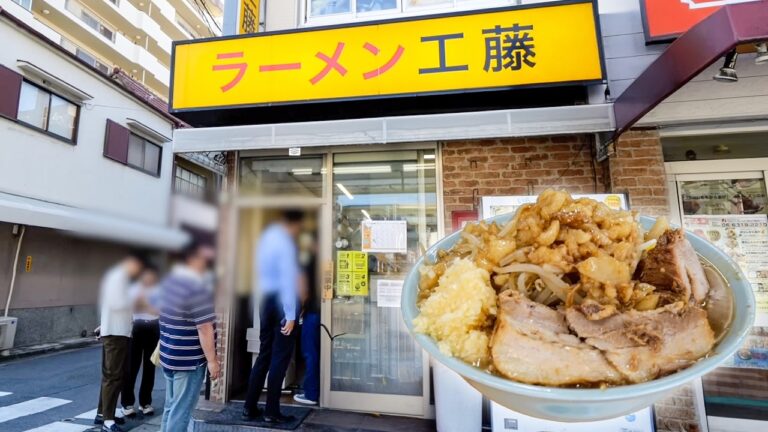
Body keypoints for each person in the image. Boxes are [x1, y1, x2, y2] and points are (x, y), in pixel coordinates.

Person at [243, 210, 303, 424]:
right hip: (281, 303)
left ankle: (249, 407)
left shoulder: (265, 241)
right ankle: (271, 411)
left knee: (264, 355)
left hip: (264, 301)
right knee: (280, 358)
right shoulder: (286, 244)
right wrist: (290, 315)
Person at [159, 242, 220, 432]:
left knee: (171, 407)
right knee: (181, 412)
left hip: (170, 355)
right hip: (188, 361)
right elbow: (204, 326)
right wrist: (212, 361)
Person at [95, 253, 145, 432]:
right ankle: (107, 421)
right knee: (113, 376)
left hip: (116, 330)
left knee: (112, 375)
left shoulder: (116, 278)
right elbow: (117, 303)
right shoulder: (119, 278)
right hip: (116, 333)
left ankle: (103, 413)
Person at [121, 265, 160, 417]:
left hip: (154, 327)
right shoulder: (134, 289)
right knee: (131, 366)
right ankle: (127, 403)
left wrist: (143, 305)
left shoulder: (159, 290)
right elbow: (132, 307)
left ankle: (145, 403)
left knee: (150, 367)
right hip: (136, 327)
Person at [294, 233, 320, 406]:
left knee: (310, 352)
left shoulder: (310, 262)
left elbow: (303, 291)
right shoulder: (325, 261)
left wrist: (300, 309)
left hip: (312, 313)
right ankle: (318, 389)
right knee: (316, 353)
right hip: (323, 313)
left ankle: (311, 393)